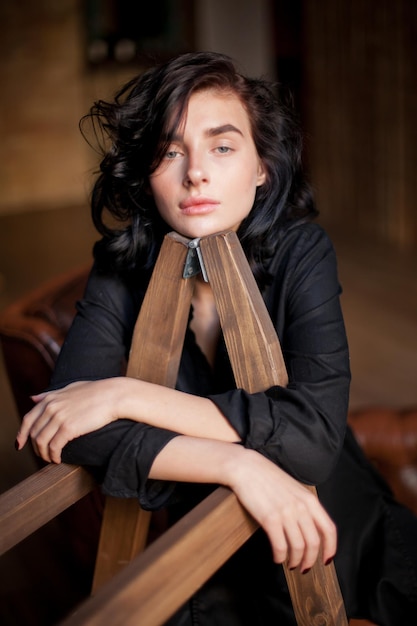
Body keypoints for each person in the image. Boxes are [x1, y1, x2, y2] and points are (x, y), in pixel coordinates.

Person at [16, 51, 417, 625]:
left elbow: (311, 441)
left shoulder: (302, 252)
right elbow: (73, 434)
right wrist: (240, 467)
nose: (195, 172)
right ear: (146, 171)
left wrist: (126, 397)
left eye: (222, 147)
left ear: (262, 167)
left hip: (341, 532)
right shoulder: (119, 270)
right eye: (170, 151)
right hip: (215, 553)